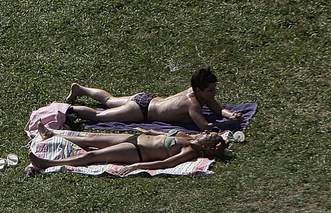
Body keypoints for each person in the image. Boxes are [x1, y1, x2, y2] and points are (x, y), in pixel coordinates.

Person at [65, 68, 243, 129]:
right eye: (211, 90)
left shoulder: (196, 92)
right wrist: (226, 125)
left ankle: (81, 89)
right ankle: (68, 110)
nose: (214, 93)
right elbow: (204, 126)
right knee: (98, 116)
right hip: (141, 111)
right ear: (199, 90)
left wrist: (230, 115)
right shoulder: (193, 103)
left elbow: (217, 108)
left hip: (145, 98)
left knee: (110, 101)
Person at [28, 121, 229, 173]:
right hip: (135, 138)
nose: (204, 133)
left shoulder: (189, 151)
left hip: (137, 152)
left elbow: (165, 163)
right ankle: (53, 134)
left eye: (207, 136)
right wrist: (149, 132)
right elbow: (161, 134)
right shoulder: (187, 136)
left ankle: (47, 163)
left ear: (207, 147)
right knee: (91, 137)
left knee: (93, 156)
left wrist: (138, 167)